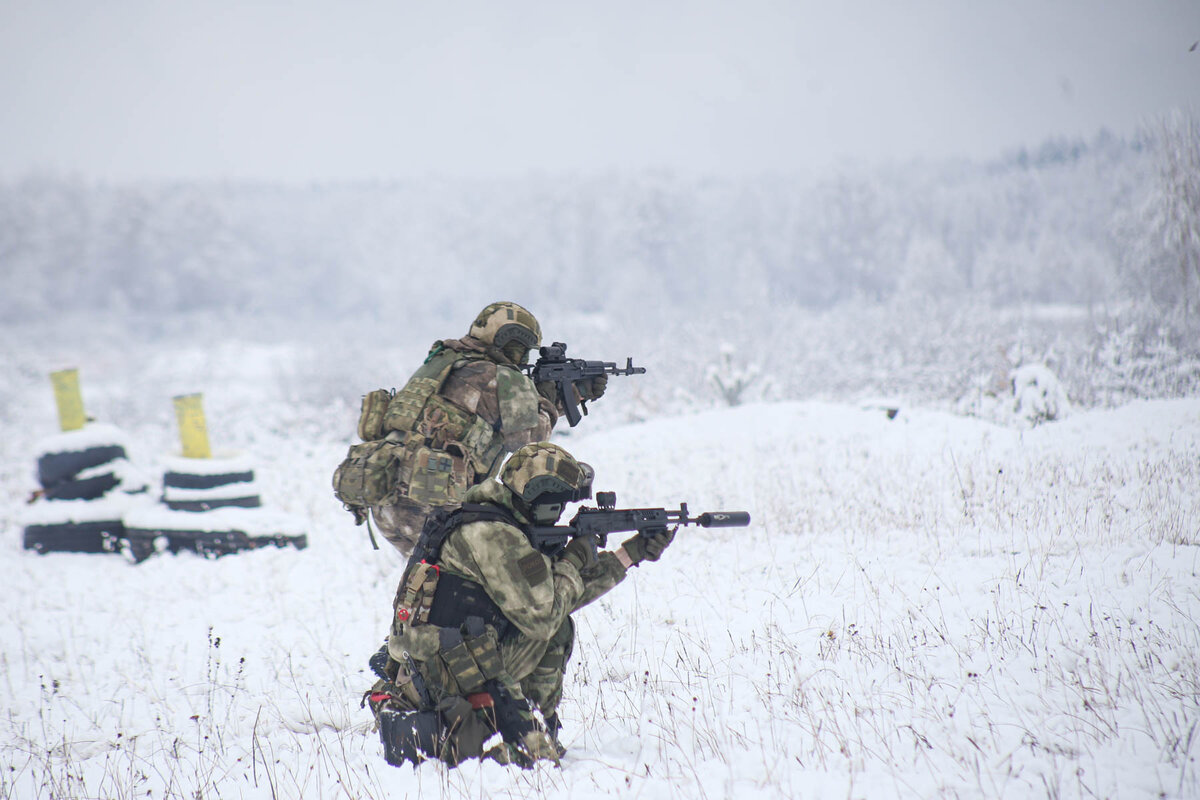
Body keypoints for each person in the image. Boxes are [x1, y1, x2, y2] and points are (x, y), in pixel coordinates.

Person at [364, 442, 675, 767]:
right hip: (448, 671)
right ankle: (517, 731)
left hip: (452, 658)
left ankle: (526, 723)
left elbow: (550, 597)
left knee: (556, 620)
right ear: (542, 502)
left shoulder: (498, 521)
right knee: (555, 635)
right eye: (558, 505)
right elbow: (544, 615)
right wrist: (573, 558)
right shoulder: (495, 536)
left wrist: (629, 555)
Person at [367, 302, 607, 556]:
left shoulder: (443, 361)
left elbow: (489, 415)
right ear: (508, 342)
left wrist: (565, 396)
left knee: (432, 578)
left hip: (389, 500)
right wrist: (547, 398)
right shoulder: (492, 376)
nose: (524, 359)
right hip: (429, 504)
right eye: (522, 350)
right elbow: (529, 441)